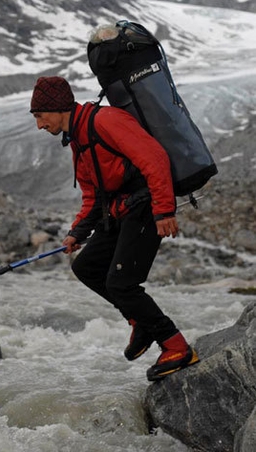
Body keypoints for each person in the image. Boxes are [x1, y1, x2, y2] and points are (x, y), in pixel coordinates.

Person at [30, 75, 199, 381]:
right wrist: (76, 232)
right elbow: (93, 195)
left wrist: (163, 211)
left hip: (146, 208)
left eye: (40, 116)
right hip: (120, 211)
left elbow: (155, 159)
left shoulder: (105, 121)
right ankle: (140, 321)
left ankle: (176, 346)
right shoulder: (78, 140)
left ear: (58, 109)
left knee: (122, 283)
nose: (39, 125)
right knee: (87, 268)